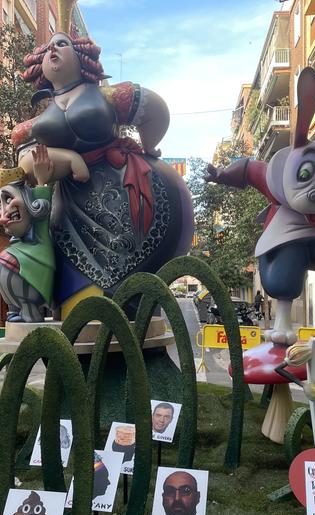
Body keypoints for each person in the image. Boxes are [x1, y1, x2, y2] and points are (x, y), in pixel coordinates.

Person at [10, 31, 193, 315]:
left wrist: (149, 146)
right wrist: (70, 159)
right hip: (71, 204)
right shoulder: (34, 124)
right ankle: (83, 321)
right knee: (74, 273)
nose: (53, 49)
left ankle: (134, 315)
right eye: (48, 48)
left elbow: (155, 109)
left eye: (62, 44)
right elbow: (26, 163)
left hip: (123, 186)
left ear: (82, 56)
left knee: (134, 268)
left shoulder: (108, 95)